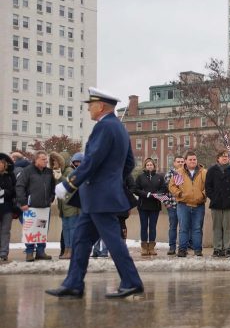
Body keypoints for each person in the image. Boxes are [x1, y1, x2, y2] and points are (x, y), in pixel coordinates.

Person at [46, 87, 143, 298]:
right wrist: (113, 180)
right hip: (100, 196)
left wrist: (70, 184)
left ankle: (132, 281)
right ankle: (73, 283)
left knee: (113, 240)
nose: (89, 109)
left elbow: (91, 160)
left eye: (91, 105)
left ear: (100, 106)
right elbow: (129, 163)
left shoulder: (104, 127)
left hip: (100, 196)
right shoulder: (119, 127)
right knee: (80, 240)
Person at [16, 151, 55, 262]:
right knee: (30, 230)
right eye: (43, 159)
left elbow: (53, 187)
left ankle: (41, 252)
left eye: (46, 159)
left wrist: (51, 198)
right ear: (36, 160)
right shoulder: (27, 171)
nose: (46, 161)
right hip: (30, 208)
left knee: (41, 230)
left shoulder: (48, 172)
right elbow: (20, 187)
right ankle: (29, 252)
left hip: (43, 208)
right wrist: (23, 202)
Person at [169, 151, 207, 257]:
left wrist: (203, 195)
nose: (192, 161)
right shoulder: (178, 172)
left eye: (194, 159)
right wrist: (179, 194)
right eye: (190, 159)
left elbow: (209, 185)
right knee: (183, 228)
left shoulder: (203, 172)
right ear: (185, 161)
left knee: (197, 228)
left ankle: (198, 250)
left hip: (199, 205)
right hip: (183, 205)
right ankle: (182, 250)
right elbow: (171, 186)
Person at [205, 149, 230, 258]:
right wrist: (213, 197)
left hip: (229, 204)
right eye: (222, 156)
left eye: (226, 156)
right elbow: (208, 187)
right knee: (217, 227)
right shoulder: (212, 170)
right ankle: (217, 248)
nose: (225, 158)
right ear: (218, 158)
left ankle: (227, 248)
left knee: (228, 227)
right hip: (216, 203)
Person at [134, 158, 165, 256]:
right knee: (144, 226)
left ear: (154, 166)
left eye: (151, 165)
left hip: (155, 205)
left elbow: (163, 189)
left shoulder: (159, 177)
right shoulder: (140, 177)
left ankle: (151, 247)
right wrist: (146, 194)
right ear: (145, 166)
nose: (149, 166)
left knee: (152, 227)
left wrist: (156, 194)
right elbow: (136, 189)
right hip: (143, 205)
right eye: (148, 165)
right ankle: (144, 248)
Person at [58, 152, 83, 260]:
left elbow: (71, 185)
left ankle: (71, 250)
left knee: (72, 229)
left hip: (72, 205)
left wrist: (60, 177)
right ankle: (67, 249)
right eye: (75, 162)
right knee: (66, 229)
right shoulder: (63, 171)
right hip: (64, 206)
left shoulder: (70, 171)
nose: (77, 164)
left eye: (79, 162)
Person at [164, 155, 184, 255]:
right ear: (174, 163)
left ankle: (183, 247)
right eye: (178, 162)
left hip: (184, 205)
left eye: (182, 161)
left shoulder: (186, 174)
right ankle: (172, 247)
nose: (180, 163)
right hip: (172, 206)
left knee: (184, 227)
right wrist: (167, 203)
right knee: (173, 227)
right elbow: (164, 191)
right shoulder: (169, 174)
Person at [0, 153, 16, 262]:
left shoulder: (10, 176)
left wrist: (3, 192)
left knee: (5, 230)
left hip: (7, 207)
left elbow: (14, 191)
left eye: (1, 163)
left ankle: (4, 253)